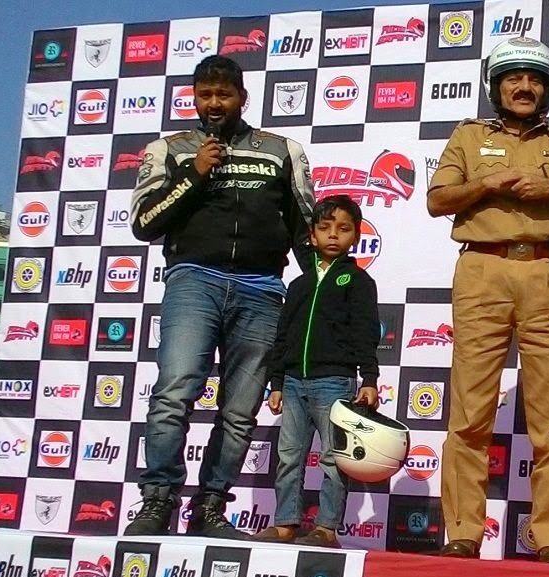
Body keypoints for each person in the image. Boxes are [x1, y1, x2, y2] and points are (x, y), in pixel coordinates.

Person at [427, 37, 549, 562]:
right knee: (470, 412)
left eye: (535, 79)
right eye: (514, 78)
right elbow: (437, 200)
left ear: (548, 90)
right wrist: (487, 184)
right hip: (482, 270)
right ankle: (463, 532)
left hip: (546, 273)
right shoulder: (468, 135)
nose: (525, 87)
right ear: (496, 86)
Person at [125, 55, 315, 539]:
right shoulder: (169, 149)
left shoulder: (282, 151)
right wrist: (193, 174)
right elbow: (144, 223)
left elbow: (304, 228)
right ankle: (158, 500)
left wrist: (320, 291)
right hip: (194, 281)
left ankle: (210, 507)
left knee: (239, 411)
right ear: (194, 97)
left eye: (223, 95)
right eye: (204, 94)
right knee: (174, 393)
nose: (213, 103)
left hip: (261, 288)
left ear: (242, 98)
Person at [251, 195, 380, 548]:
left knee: (333, 458)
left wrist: (369, 378)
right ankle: (285, 523)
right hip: (293, 383)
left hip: (335, 382)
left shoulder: (358, 280)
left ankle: (326, 527)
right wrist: (277, 382)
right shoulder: (298, 284)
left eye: (343, 228)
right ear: (312, 236)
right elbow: (283, 336)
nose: (333, 235)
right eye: (325, 228)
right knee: (288, 456)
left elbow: (366, 332)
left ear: (356, 236)